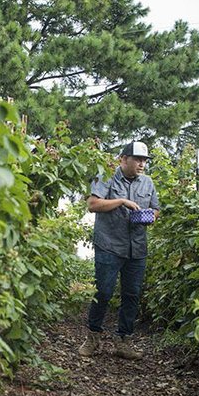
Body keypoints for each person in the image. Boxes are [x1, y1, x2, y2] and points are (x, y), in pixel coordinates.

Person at [79, 141, 160, 360]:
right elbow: (93, 204)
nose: (142, 164)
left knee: (132, 294)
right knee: (103, 292)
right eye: (137, 159)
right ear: (123, 159)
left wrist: (150, 216)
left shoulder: (148, 182)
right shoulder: (104, 176)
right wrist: (122, 201)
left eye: (144, 160)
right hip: (109, 244)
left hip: (137, 248)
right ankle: (93, 337)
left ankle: (124, 341)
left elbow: (156, 209)